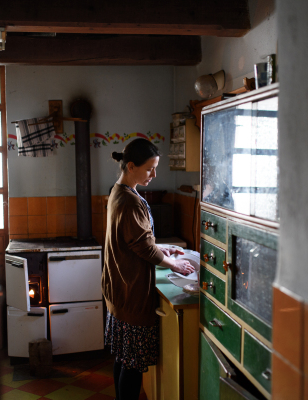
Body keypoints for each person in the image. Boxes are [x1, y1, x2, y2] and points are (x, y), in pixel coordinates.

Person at [102, 138, 195, 400]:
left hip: (119, 290)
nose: (154, 174)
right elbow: (142, 246)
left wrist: (161, 248)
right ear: (131, 166)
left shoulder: (118, 191)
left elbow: (135, 239)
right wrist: (173, 263)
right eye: (149, 169)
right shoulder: (130, 201)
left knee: (123, 358)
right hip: (131, 293)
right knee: (131, 365)